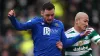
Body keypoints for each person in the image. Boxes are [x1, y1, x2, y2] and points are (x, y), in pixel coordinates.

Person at [8, 2, 89, 56]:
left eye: (52, 15)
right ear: (42, 13)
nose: (50, 17)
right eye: (47, 15)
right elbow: (19, 26)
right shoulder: (36, 22)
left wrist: (80, 36)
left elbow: (65, 43)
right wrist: (12, 18)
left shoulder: (59, 24)